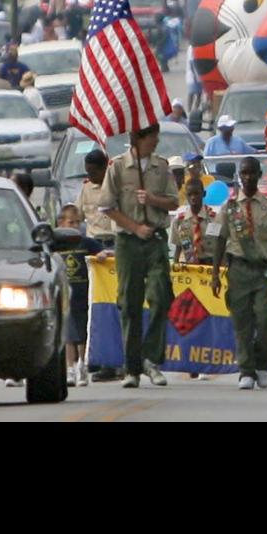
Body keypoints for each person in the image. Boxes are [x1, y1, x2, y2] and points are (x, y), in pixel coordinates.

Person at [98, 123, 178, 388]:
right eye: (153, 137)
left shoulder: (161, 166)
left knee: (160, 296)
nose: (156, 141)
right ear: (139, 138)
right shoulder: (119, 167)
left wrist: (153, 200)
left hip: (155, 240)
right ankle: (131, 367)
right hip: (129, 242)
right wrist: (135, 227)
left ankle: (151, 359)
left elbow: (174, 202)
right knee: (129, 303)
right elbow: (107, 206)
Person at [209, 156, 267, 391]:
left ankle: (262, 365)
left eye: (251, 172)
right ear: (239, 176)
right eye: (243, 173)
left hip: (263, 271)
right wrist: (215, 274)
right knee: (241, 322)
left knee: (265, 320)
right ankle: (246, 370)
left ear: (259, 175)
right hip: (238, 270)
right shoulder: (229, 208)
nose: (247, 177)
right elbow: (219, 241)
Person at [57, 205, 106, 388]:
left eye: (78, 222)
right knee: (69, 333)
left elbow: (101, 252)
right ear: (60, 223)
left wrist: (101, 255)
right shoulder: (58, 244)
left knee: (83, 332)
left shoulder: (86, 243)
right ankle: (69, 368)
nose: (75, 226)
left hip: (83, 293)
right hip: (64, 294)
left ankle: (82, 366)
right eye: (71, 222)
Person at [169, 177, 212, 264]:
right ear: (186, 196)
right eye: (189, 194)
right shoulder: (179, 221)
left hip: (211, 263)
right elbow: (178, 247)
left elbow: (221, 246)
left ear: (204, 194)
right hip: (190, 265)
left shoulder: (213, 218)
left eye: (196, 194)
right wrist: (175, 266)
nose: (193, 197)